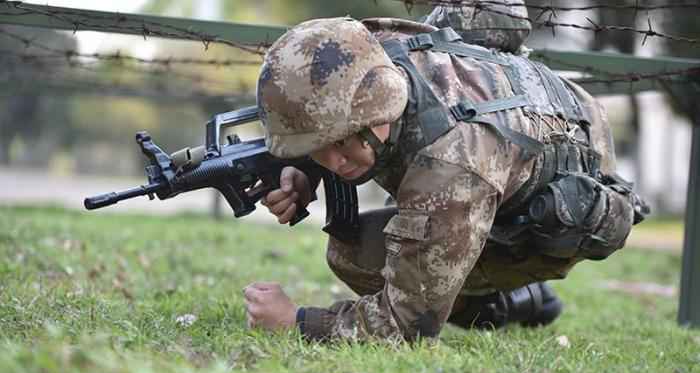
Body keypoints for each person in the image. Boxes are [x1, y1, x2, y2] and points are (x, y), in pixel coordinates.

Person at [243, 3, 648, 342]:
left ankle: (511, 301)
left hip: (554, 212)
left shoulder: (451, 163)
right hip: (526, 145)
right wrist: (303, 169)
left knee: (359, 258)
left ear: (378, 108)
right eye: (318, 149)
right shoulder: (371, 54)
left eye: (343, 142)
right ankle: (489, 284)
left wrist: (295, 322)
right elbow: (321, 112)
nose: (334, 162)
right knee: (366, 241)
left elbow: (402, 327)